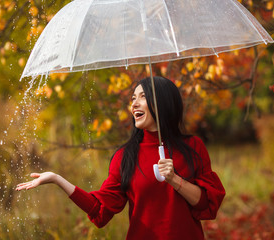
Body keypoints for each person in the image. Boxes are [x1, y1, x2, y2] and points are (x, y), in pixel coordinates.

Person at [16, 76, 225, 239]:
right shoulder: (125, 157)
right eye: (133, 98)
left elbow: (206, 203)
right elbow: (99, 209)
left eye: (142, 97)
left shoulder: (192, 147)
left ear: (162, 102)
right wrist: (56, 179)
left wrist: (175, 180)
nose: (134, 104)